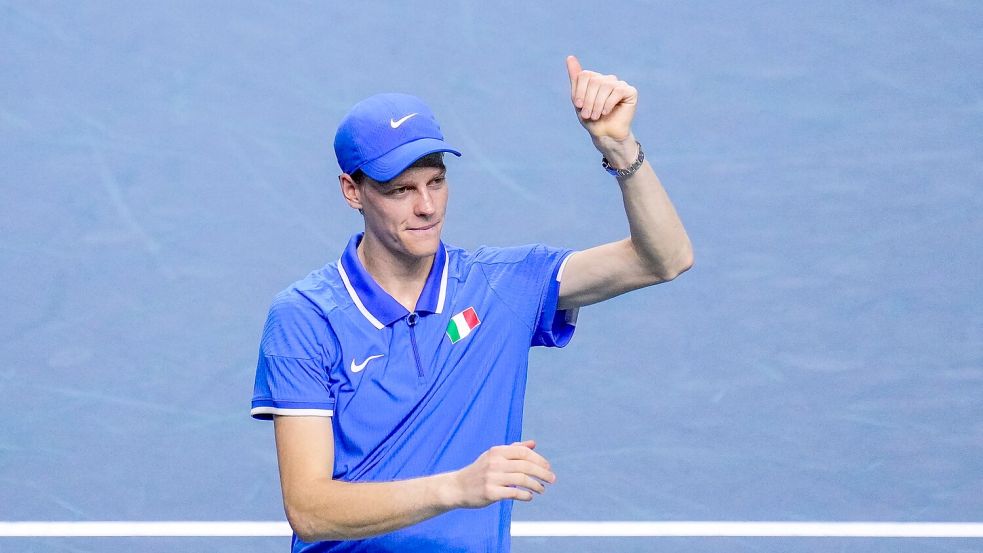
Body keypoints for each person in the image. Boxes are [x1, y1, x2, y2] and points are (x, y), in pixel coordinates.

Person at [251, 55, 693, 552]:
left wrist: (618, 146)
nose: (426, 206)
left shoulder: (503, 286)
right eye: (400, 190)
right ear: (352, 191)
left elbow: (664, 259)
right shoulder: (305, 317)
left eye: (435, 182)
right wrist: (456, 487)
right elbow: (310, 510)